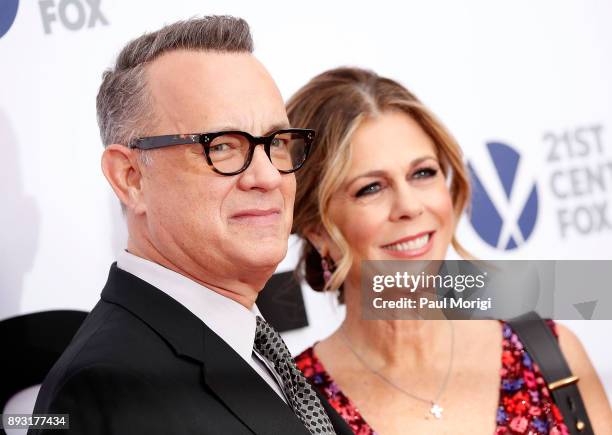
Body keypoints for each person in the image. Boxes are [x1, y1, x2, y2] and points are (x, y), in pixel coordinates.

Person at [30, 17, 351, 435]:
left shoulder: (253, 347)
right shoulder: (106, 389)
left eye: (274, 143)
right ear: (131, 178)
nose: (268, 177)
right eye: (221, 146)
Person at [287, 67, 612, 434]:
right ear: (318, 232)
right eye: (371, 188)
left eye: (422, 173)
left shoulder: (551, 354)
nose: (409, 205)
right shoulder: (295, 411)